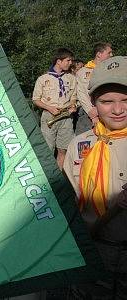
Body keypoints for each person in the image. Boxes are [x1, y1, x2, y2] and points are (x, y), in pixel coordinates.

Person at [64, 56, 127, 299]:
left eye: (125, 100)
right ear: (92, 102)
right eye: (107, 101)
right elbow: (69, 205)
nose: (118, 109)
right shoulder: (79, 145)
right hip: (94, 257)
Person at [32, 48, 77, 169]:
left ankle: (60, 177)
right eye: (68, 60)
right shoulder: (43, 79)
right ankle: (49, 176)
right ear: (59, 61)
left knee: (64, 148)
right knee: (48, 149)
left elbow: (73, 96)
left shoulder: (71, 78)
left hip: (66, 117)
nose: (70, 63)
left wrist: (73, 105)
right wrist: (49, 108)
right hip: (49, 116)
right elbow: (36, 99)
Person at [75, 42, 113, 134]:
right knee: (85, 142)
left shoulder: (111, 70)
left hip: (108, 111)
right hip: (88, 113)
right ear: (99, 54)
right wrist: (91, 112)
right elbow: (81, 93)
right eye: (109, 53)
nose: (112, 55)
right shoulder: (83, 72)